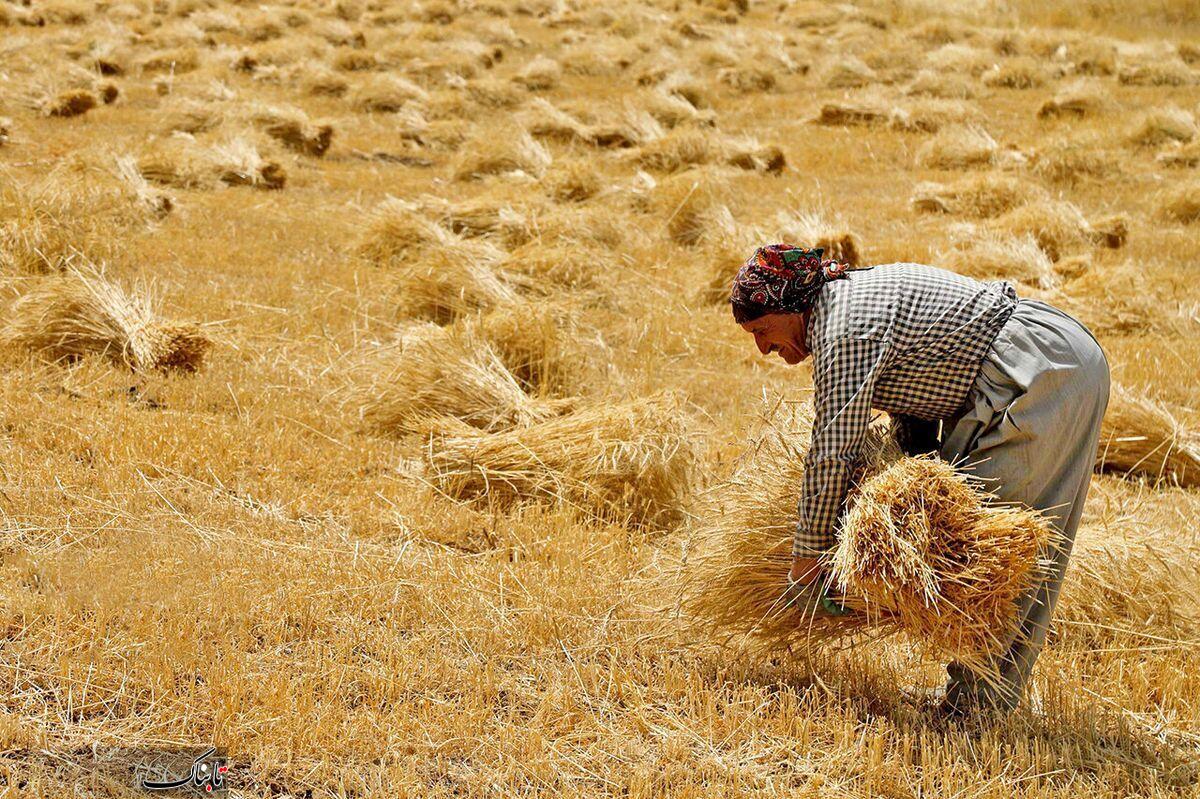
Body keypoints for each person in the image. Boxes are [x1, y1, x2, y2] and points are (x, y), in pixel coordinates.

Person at [729, 243, 1110, 718]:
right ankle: (972, 698)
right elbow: (915, 390)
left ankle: (977, 710)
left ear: (794, 305)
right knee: (973, 544)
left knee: (990, 552)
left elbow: (833, 451)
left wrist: (808, 558)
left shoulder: (844, 328)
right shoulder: (842, 304)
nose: (762, 348)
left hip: (1041, 373)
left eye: (763, 330)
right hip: (1037, 361)